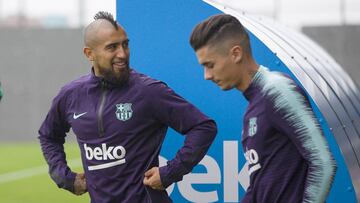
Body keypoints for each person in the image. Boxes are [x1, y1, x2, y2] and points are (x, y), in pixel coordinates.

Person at [38, 11, 217, 203]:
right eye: (112, 47)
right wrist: (65, 177)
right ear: (89, 53)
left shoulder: (148, 91)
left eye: (125, 44)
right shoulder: (71, 95)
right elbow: (48, 135)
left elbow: (203, 127)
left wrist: (170, 172)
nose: (122, 54)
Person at [189, 14, 337, 203]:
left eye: (210, 65)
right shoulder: (253, 107)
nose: (207, 76)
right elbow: (260, 186)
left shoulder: (277, 90)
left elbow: (323, 164)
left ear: (236, 54)